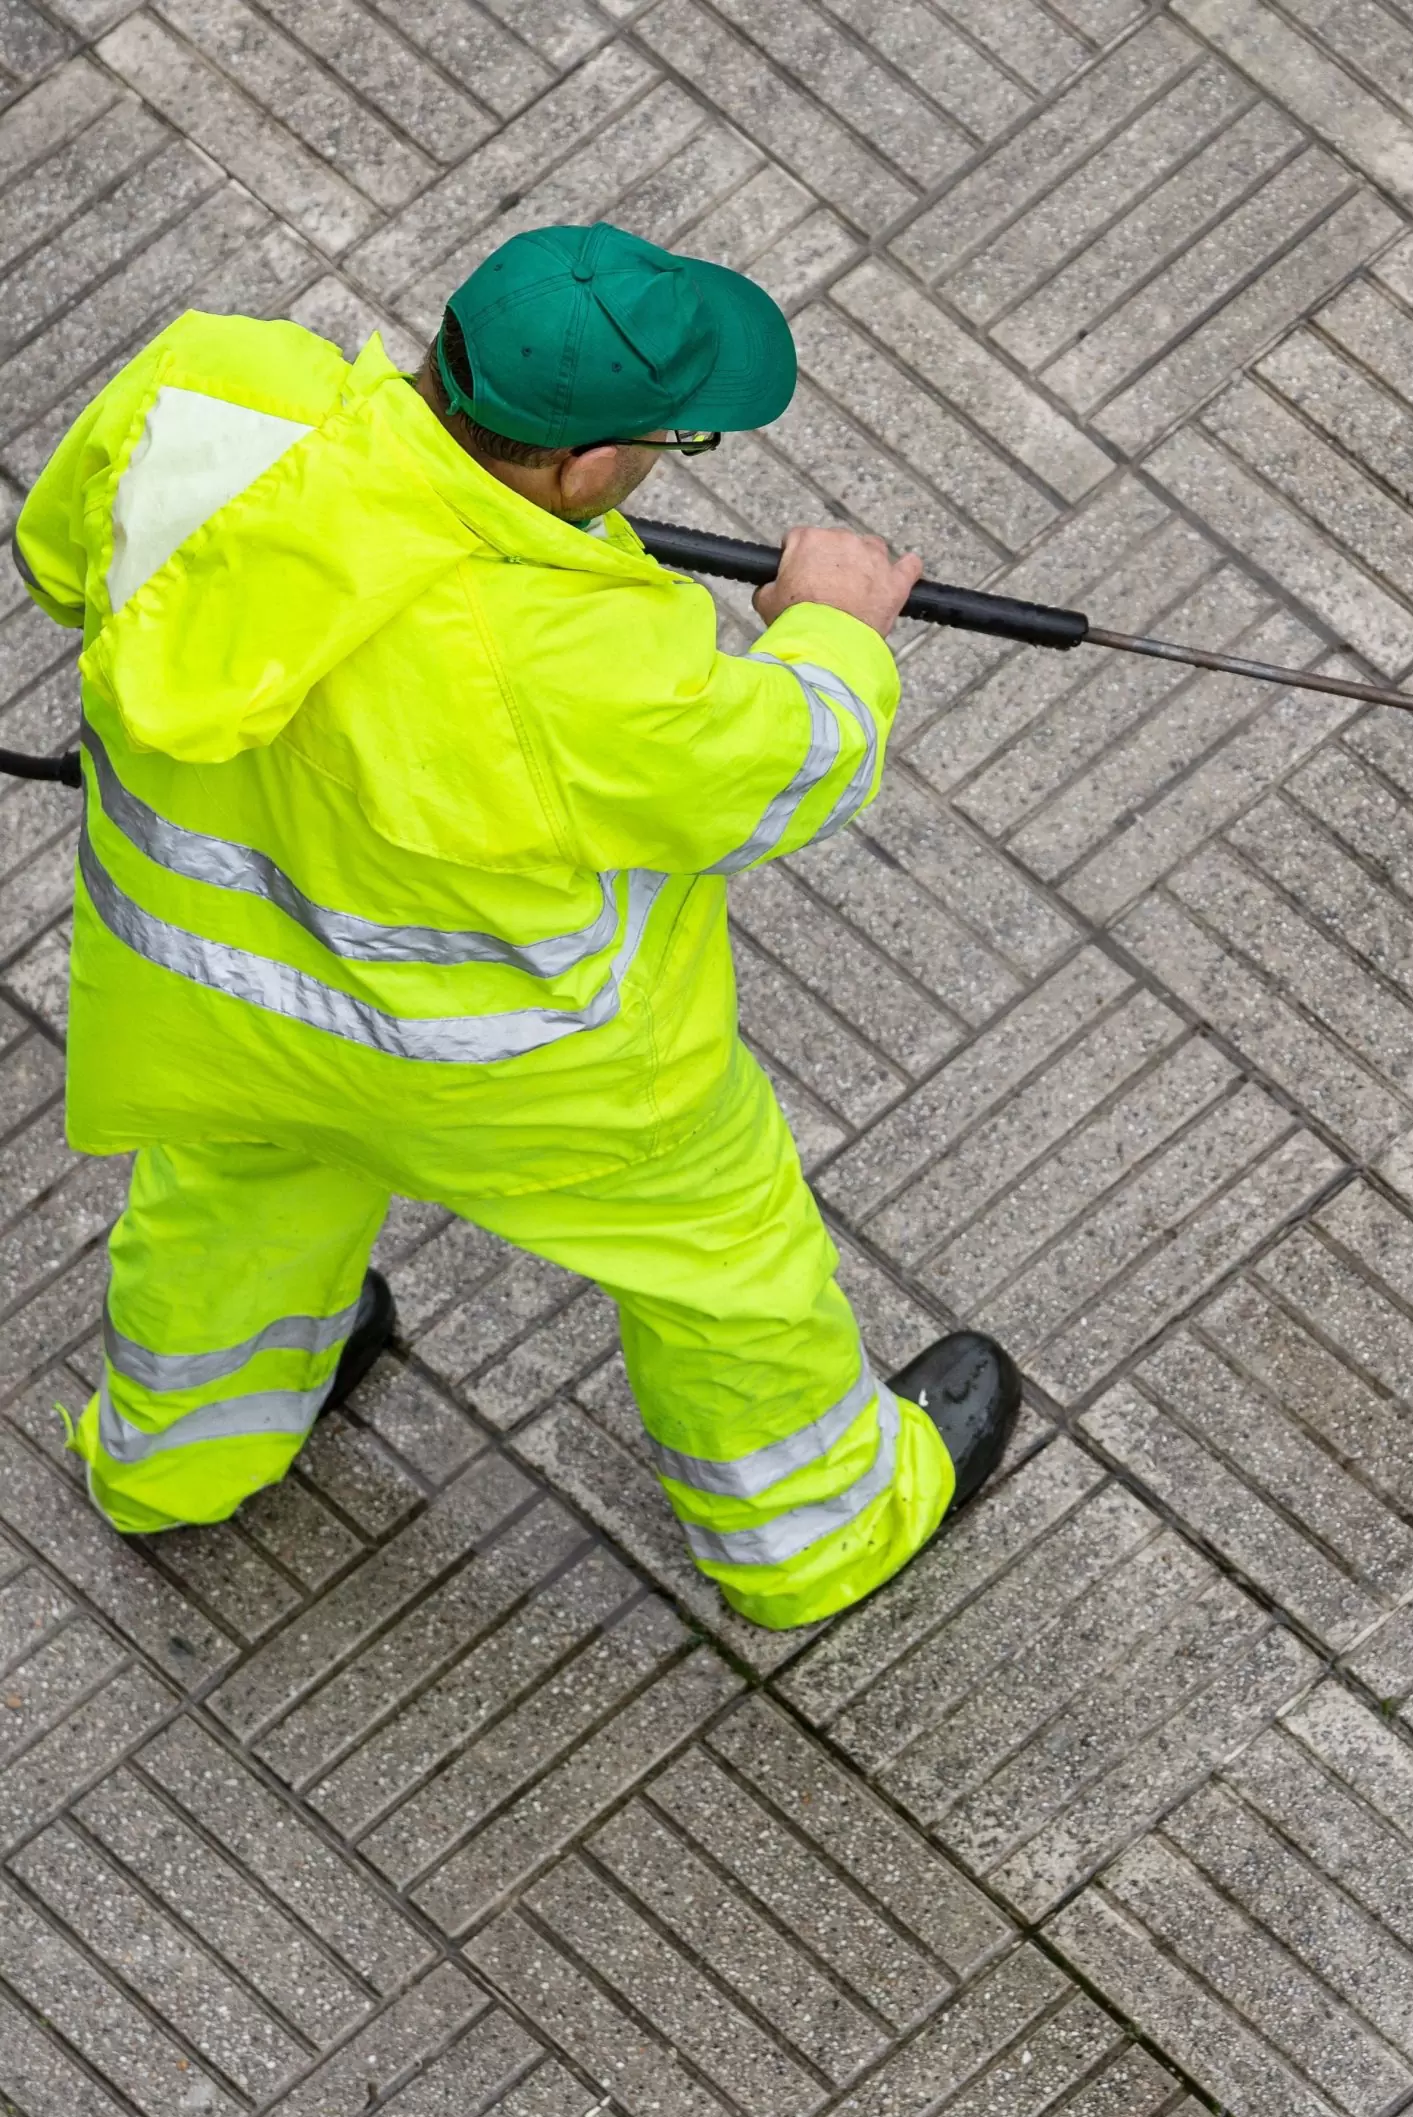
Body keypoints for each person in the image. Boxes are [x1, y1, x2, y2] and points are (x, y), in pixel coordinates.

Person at [9, 222, 1019, 1629]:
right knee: (724, 1262)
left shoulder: (210, 384)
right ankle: (816, 1536)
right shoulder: (585, 662)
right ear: (590, 469)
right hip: (531, 1088)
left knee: (231, 1218)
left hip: (220, 1019)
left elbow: (62, 562)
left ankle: (170, 1467)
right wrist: (834, 629)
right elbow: (784, 774)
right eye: (672, 441)